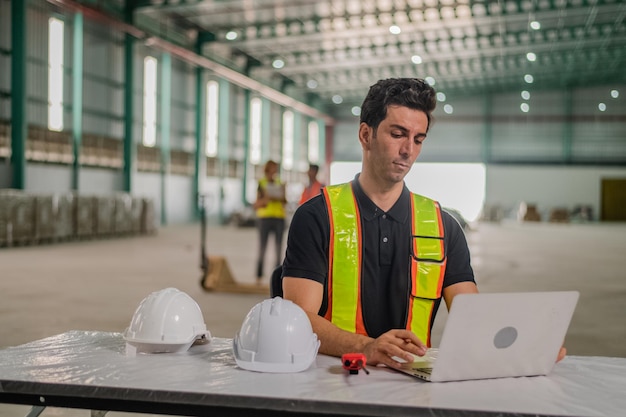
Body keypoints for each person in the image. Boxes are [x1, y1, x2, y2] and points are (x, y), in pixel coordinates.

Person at [281, 78, 567, 369]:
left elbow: (473, 317)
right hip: (331, 381)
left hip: (414, 387)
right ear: (366, 135)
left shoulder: (444, 227)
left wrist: (527, 345)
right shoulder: (317, 217)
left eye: (418, 139)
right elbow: (297, 317)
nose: (408, 150)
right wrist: (365, 346)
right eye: (398, 134)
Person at [253, 160, 287, 282]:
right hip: (265, 219)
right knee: (262, 248)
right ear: (268, 169)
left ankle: (276, 277)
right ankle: (259, 275)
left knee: (278, 249)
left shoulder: (279, 183)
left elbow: (284, 201)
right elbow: (256, 204)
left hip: (279, 218)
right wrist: (266, 199)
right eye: (273, 168)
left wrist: (282, 193)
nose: (275, 171)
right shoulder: (261, 184)